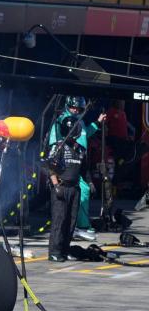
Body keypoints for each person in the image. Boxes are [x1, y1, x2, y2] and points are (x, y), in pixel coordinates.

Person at [47, 97, 106, 241]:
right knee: (82, 191)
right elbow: (54, 139)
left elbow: (85, 132)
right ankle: (81, 226)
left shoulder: (79, 121)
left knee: (81, 191)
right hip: (66, 162)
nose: (76, 111)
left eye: (79, 109)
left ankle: (78, 226)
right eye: (74, 108)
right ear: (68, 106)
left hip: (79, 162)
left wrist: (97, 122)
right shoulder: (63, 120)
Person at [45, 120, 86, 262]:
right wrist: (56, 186)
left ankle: (65, 249)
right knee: (59, 220)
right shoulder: (58, 147)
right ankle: (54, 252)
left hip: (75, 188)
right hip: (61, 187)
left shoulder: (80, 149)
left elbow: (85, 169)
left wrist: (91, 183)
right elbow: (49, 167)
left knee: (71, 221)